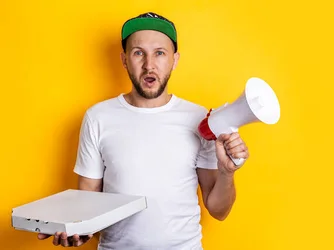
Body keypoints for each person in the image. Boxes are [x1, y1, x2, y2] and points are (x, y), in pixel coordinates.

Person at [36, 12, 249, 249]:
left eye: (160, 53)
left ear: (175, 60)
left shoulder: (200, 120)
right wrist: (78, 230)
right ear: (124, 59)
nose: (149, 65)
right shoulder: (98, 117)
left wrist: (227, 173)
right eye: (138, 53)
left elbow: (219, 211)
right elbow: (88, 204)